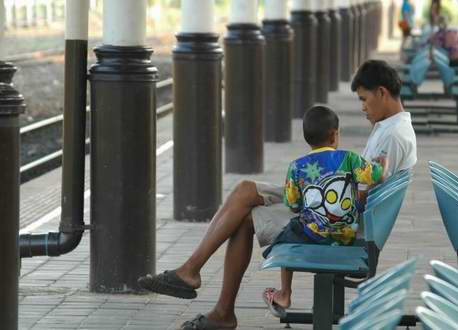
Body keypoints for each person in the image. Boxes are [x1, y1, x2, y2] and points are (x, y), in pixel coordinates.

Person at [137, 60, 417, 330]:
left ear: (382, 92)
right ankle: (195, 277)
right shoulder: (391, 128)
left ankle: (211, 296)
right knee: (245, 190)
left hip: (334, 217)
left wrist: (316, 189)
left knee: (246, 214)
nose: (363, 107)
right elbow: (366, 181)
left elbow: (363, 195)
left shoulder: (393, 136)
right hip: (332, 204)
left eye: (364, 99)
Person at [261, 105, 386, 318]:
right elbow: (376, 176)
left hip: (313, 236)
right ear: (334, 135)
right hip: (346, 235)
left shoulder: (297, 166)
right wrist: (383, 164)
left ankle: (284, 293)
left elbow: (292, 204)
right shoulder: (350, 158)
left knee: (286, 235)